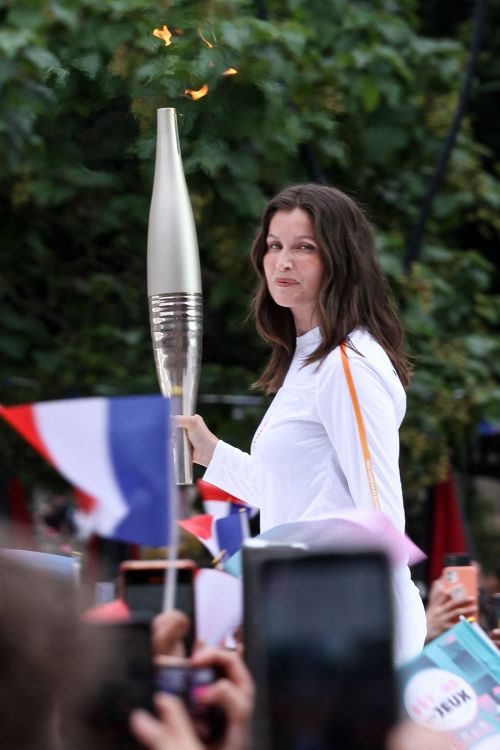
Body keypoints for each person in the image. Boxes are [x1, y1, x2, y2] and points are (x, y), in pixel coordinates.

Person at [178, 183, 426, 664]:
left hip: (348, 628)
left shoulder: (345, 365)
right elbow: (296, 494)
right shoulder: (309, 358)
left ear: (341, 259)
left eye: (304, 247)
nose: (283, 262)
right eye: (274, 246)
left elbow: (381, 521)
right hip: (310, 617)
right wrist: (212, 454)